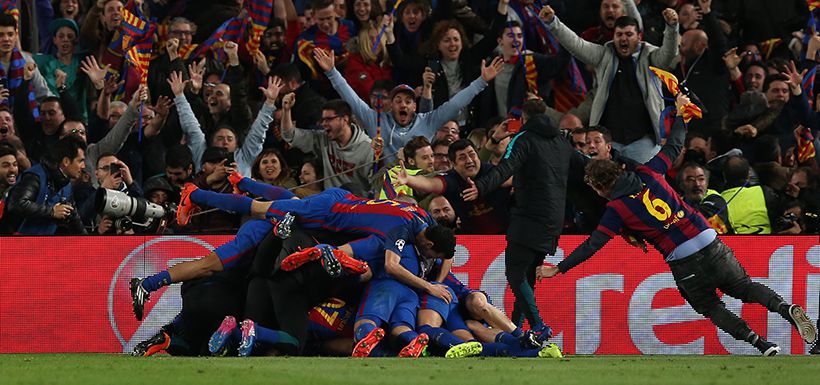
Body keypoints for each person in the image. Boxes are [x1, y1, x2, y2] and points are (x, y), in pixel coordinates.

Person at [537, 94, 818, 356]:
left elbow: (593, 244)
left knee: (709, 305)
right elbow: (673, 146)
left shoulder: (616, 209)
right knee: (744, 287)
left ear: (600, 187)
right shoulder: (649, 171)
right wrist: (682, 117)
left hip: (683, 259)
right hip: (709, 239)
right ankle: (785, 307)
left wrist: (559, 268)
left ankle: (760, 343)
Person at [460, 99, 570, 331]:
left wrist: (481, 187)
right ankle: (518, 333)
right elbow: (582, 164)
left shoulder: (524, 138)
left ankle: (539, 327)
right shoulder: (560, 140)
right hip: (554, 219)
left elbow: (506, 167)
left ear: (523, 120)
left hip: (530, 216)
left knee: (515, 274)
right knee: (527, 278)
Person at [540, 5, 680, 163]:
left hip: (644, 143)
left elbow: (669, 53)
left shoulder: (650, 56)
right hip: (608, 143)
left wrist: (672, 28)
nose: (623, 39)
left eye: (629, 34)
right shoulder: (603, 55)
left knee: (646, 186)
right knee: (605, 186)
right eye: (619, 34)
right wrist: (553, 22)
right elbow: (576, 44)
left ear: (638, 37)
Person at [314, 45, 503, 161]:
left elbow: (455, 104)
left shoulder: (428, 121)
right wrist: (332, 72)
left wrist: (481, 81)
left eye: (408, 101)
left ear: (415, 106)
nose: (403, 105)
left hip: (422, 184)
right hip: (387, 186)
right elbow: (352, 99)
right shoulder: (376, 120)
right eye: (398, 101)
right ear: (391, 104)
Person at [281, 94, 373, 193]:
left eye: (328, 119)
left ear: (345, 120)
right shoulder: (324, 138)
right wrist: (286, 110)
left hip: (356, 205)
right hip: (330, 203)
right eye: (322, 120)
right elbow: (289, 135)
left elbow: (377, 187)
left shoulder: (367, 148)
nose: (323, 124)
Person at [4, 135, 86, 235]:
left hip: (43, 246)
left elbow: (75, 222)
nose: (83, 166)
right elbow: (16, 204)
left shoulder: (66, 185)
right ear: (66, 161)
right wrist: (51, 211)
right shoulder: (35, 176)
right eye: (80, 161)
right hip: (15, 245)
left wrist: (89, 245)